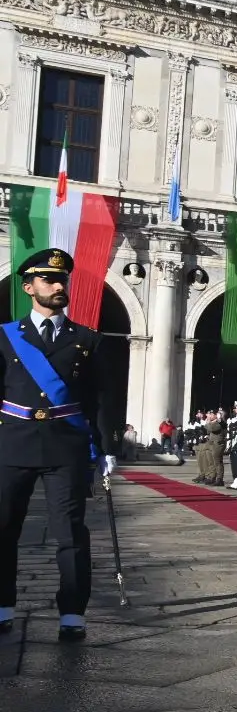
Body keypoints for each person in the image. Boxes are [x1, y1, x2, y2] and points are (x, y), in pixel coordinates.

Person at [0, 247, 115, 642]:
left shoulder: (87, 340)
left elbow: (99, 399)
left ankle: (71, 611)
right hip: (12, 443)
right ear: (29, 287)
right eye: (48, 280)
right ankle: (2, 605)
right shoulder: (6, 338)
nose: (57, 285)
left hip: (66, 448)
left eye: (62, 279)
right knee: (3, 529)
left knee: (70, 533)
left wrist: (105, 447)